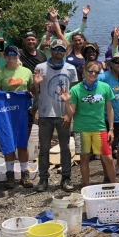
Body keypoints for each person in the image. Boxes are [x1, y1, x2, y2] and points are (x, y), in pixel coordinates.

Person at [33, 38, 78, 191]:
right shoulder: (40, 67)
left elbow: (74, 94)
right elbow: (34, 93)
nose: (59, 51)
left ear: (65, 51)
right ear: (50, 50)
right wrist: (36, 84)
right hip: (45, 113)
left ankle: (66, 178)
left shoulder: (71, 68)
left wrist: (69, 114)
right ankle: (43, 179)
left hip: (63, 114)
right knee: (44, 148)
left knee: (65, 147)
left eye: (62, 49)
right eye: (56, 49)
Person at [62, 61, 116, 187]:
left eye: (96, 72)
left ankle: (115, 186)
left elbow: (110, 109)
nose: (93, 74)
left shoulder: (105, 87)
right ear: (84, 72)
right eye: (90, 71)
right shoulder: (75, 89)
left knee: (108, 158)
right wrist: (66, 102)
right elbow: (70, 114)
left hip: (100, 128)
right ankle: (87, 187)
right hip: (81, 129)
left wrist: (111, 129)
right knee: (84, 159)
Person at [0, 45, 35, 187]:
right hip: (6, 112)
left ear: (18, 56)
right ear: (5, 57)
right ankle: (10, 174)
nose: (11, 56)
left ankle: (25, 174)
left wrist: (37, 84)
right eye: (8, 54)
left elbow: (32, 91)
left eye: (14, 53)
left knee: (22, 143)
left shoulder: (27, 72)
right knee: (9, 143)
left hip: (23, 111)